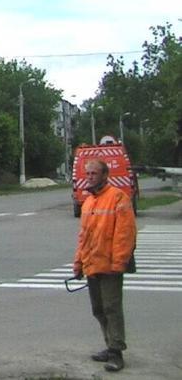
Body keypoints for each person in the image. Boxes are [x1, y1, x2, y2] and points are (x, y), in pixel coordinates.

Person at [74, 158, 137, 373]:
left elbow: (125, 234)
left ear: (104, 175)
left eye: (93, 173)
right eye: (87, 173)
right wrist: (78, 262)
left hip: (110, 266)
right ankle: (110, 344)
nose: (89, 177)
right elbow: (84, 236)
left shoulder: (118, 197)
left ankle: (116, 352)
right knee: (98, 309)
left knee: (112, 308)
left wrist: (119, 261)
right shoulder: (89, 202)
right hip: (92, 264)